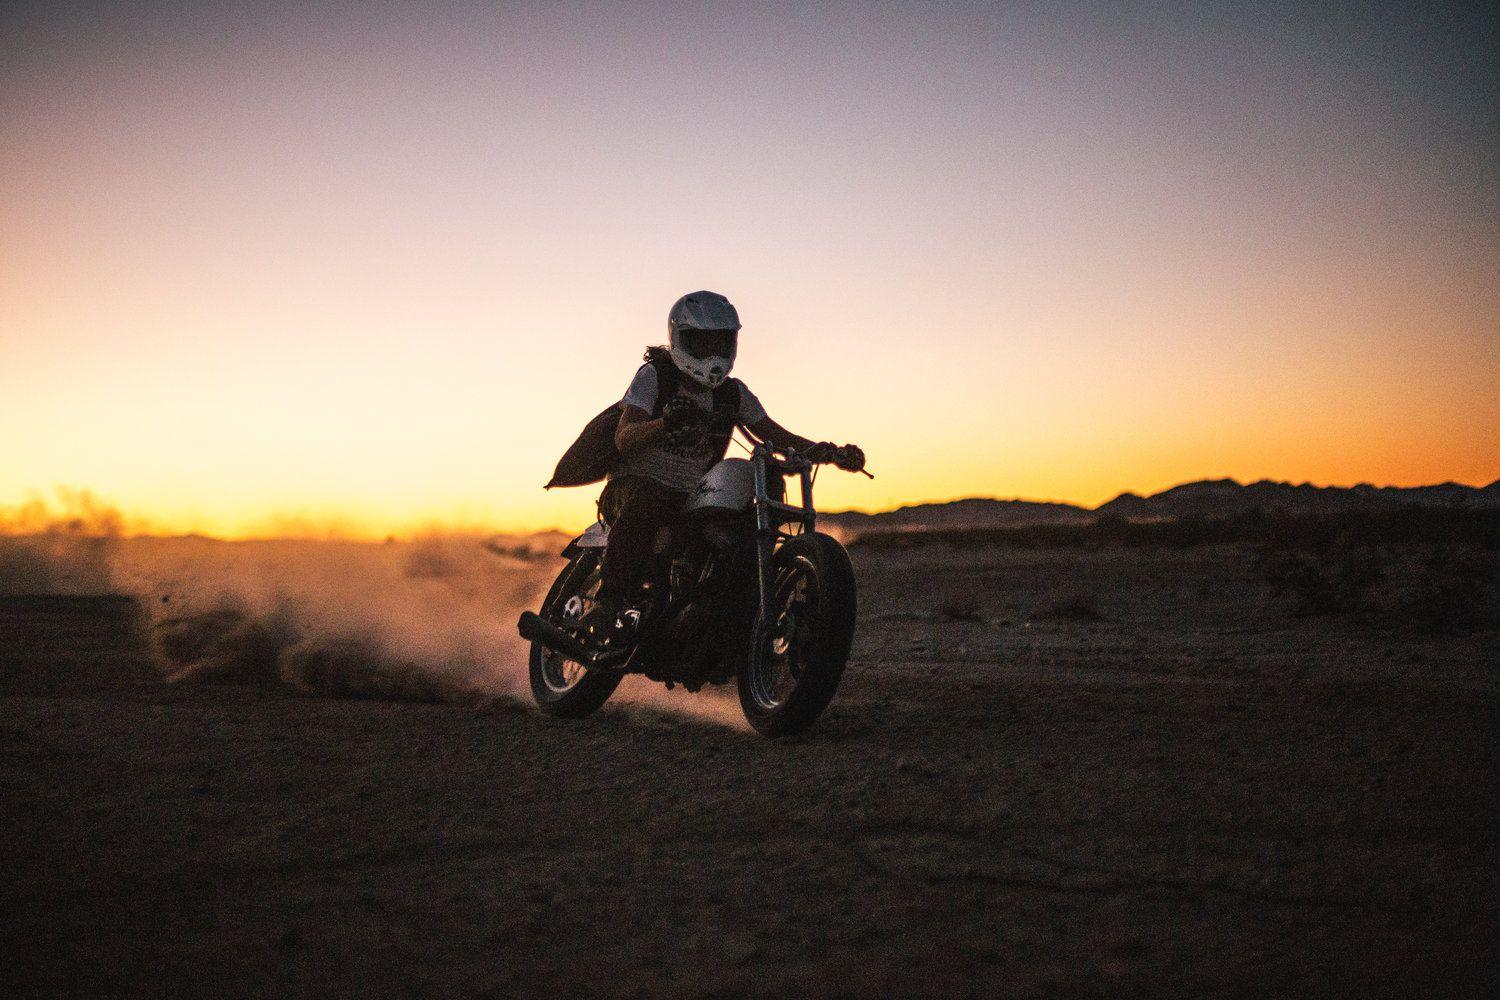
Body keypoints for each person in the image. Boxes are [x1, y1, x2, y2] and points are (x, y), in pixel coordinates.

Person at [581, 290, 863, 643]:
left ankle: (724, 617)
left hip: (695, 496)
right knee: (650, 500)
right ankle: (607, 603)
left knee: (743, 517)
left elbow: (776, 435)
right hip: (633, 487)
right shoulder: (656, 376)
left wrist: (830, 453)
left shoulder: (733, 394)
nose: (712, 353)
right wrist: (665, 423)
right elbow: (624, 437)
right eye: (701, 343)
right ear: (679, 339)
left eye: (721, 342)